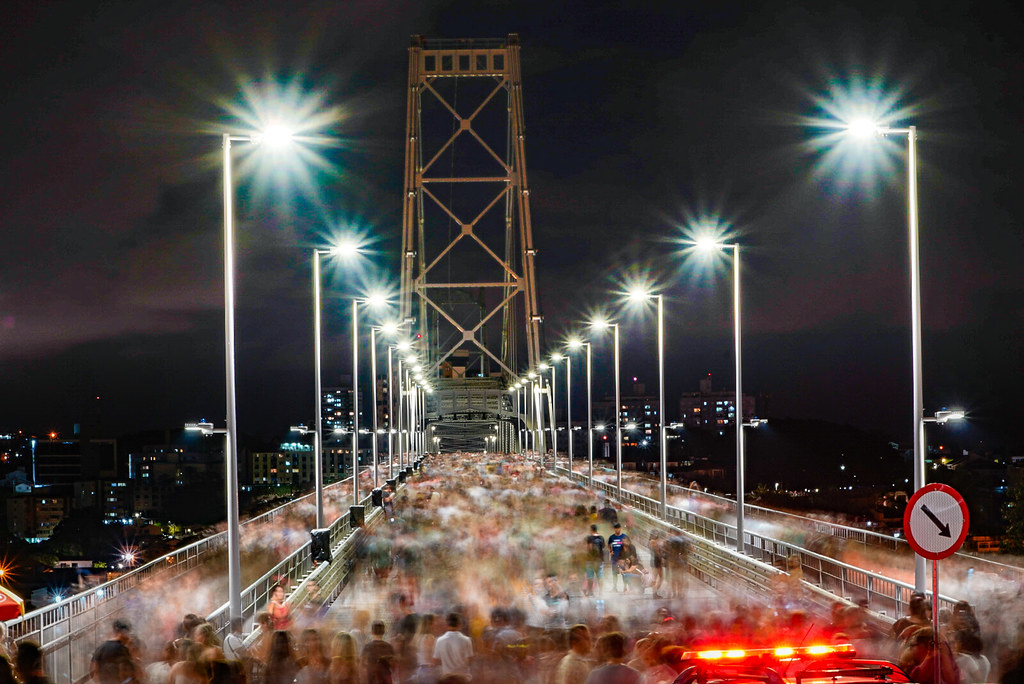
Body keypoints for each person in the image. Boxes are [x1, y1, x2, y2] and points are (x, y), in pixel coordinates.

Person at [90, 619, 135, 684]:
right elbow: (129, 672)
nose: (129, 637)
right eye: (128, 633)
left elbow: (93, 670)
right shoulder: (122, 649)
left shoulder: (101, 647)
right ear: (121, 633)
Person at [432, 613, 473, 681]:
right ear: (460, 624)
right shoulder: (466, 640)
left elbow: (436, 661)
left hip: (447, 678)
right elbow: (470, 661)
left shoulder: (439, 640)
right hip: (462, 678)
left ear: (446, 624)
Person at [584, 524, 606, 597]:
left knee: (590, 577)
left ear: (591, 529)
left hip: (591, 560)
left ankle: (590, 592)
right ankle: (601, 593)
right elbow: (603, 547)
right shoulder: (601, 537)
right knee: (600, 576)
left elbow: (589, 548)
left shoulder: (589, 538)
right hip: (600, 560)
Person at [607, 523, 629, 593]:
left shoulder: (624, 536)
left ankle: (625, 587)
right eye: (615, 528)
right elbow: (608, 544)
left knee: (623, 573)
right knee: (614, 574)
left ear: (620, 528)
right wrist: (610, 551)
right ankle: (614, 588)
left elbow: (628, 546)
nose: (617, 529)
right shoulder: (611, 537)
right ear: (614, 529)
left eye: (618, 528)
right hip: (614, 558)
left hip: (622, 559)